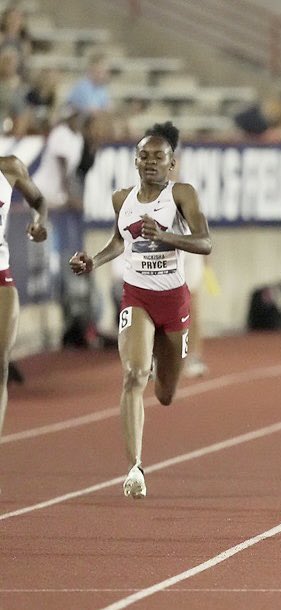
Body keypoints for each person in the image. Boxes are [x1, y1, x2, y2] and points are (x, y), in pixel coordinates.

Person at [69, 121, 212, 499]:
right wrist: (93, 262)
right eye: (144, 156)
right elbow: (120, 241)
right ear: (135, 161)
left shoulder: (182, 195)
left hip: (174, 301)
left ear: (172, 163)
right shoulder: (122, 199)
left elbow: (205, 242)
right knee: (133, 376)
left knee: (165, 393)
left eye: (158, 157)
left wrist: (163, 235)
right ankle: (135, 467)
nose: (151, 162)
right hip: (137, 296)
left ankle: (158, 363)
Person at [0, 155, 48, 469]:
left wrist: (38, 222)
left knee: (1, 362)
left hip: (0, 274)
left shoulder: (9, 168)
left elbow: (40, 199)